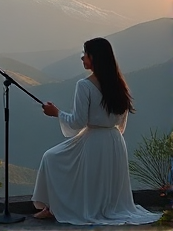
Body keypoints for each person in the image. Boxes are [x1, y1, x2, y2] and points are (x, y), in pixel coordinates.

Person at [31, 37, 162, 225]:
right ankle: (70, 207)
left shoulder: (84, 85)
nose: (82, 58)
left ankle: (53, 207)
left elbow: (78, 122)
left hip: (94, 140)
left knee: (51, 158)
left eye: (85, 54)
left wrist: (56, 113)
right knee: (100, 181)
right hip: (115, 141)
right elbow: (121, 119)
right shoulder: (118, 84)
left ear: (94, 58)